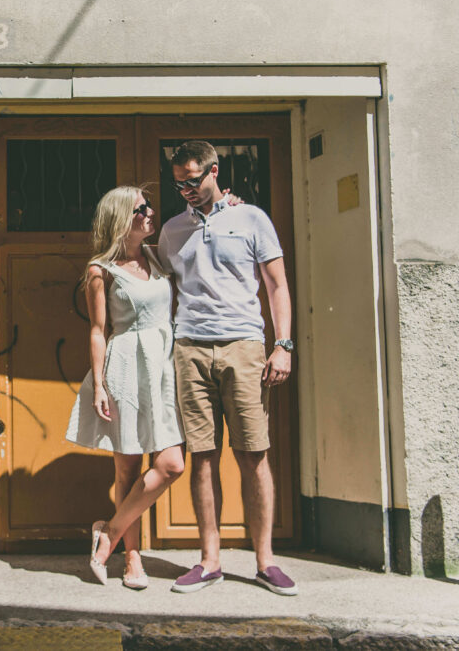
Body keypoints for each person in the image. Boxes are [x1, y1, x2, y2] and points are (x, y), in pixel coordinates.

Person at [158, 141, 298, 596]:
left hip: (244, 346)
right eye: (179, 183)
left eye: (193, 180)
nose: (186, 190)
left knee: (253, 454)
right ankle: (210, 561)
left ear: (215, 171)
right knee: (202, 456)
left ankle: (265, 561)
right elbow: (158, 281)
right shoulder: (173, 229)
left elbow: (276, 285)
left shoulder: (251, 218)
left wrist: (283, 345)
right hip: (191, 347)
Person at [65, 185, 185, 590]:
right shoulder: (101, 270)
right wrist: (99, 385)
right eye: (141, 209)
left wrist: (229, 205)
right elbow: (98, 331)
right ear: (121, 219)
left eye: (149, 207)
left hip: (163, 367)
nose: (151, 213)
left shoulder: (157, 254)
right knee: (128, 468)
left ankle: (110, 533)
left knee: (171, 464)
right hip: (127, 366)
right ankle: (132, 559)